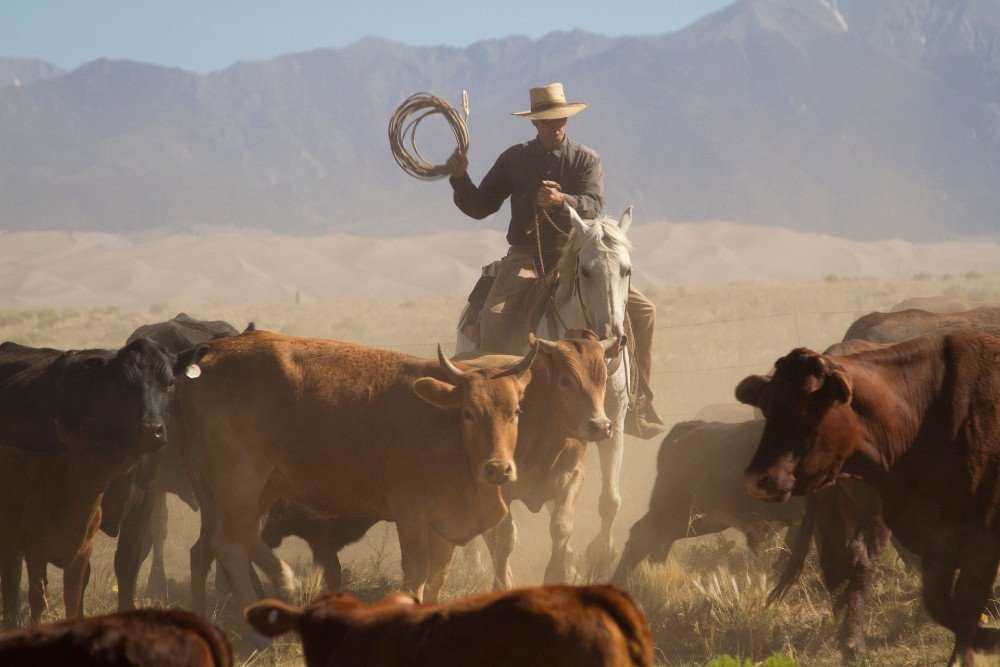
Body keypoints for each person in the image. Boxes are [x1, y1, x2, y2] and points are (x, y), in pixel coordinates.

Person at [445, 83, 664, 438]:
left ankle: (639, 400)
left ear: (567, 118)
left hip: (579, 255)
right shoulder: (513, 159)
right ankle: (499, 404)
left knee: (644, 311)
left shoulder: (585, 159)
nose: (555, 125)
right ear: (535, 124)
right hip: (527, 256)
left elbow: (595, 204)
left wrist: (564, 200)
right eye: (547, 121)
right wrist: (459, 178)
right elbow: (481, 205)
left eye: (559, 118)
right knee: (494, 315)